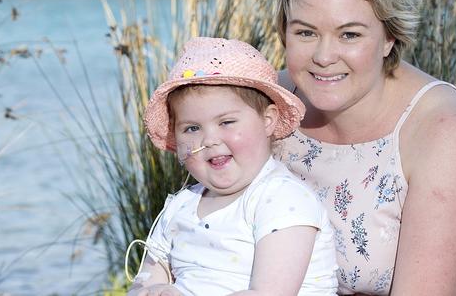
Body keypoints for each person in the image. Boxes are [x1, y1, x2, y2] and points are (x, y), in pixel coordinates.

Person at [272, 0, 456, 295]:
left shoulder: (445, 132)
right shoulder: (268, 103)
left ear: (389, 37)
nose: (323, 55)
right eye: (305, 33)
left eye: (349, 35)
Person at [129, 37, 338, 296]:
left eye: (226, 122)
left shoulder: (282, 199)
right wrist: (154, 290)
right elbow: (144, 280)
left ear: (267, 121)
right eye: (192, 128)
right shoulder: (179, 207)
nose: (209, 140)